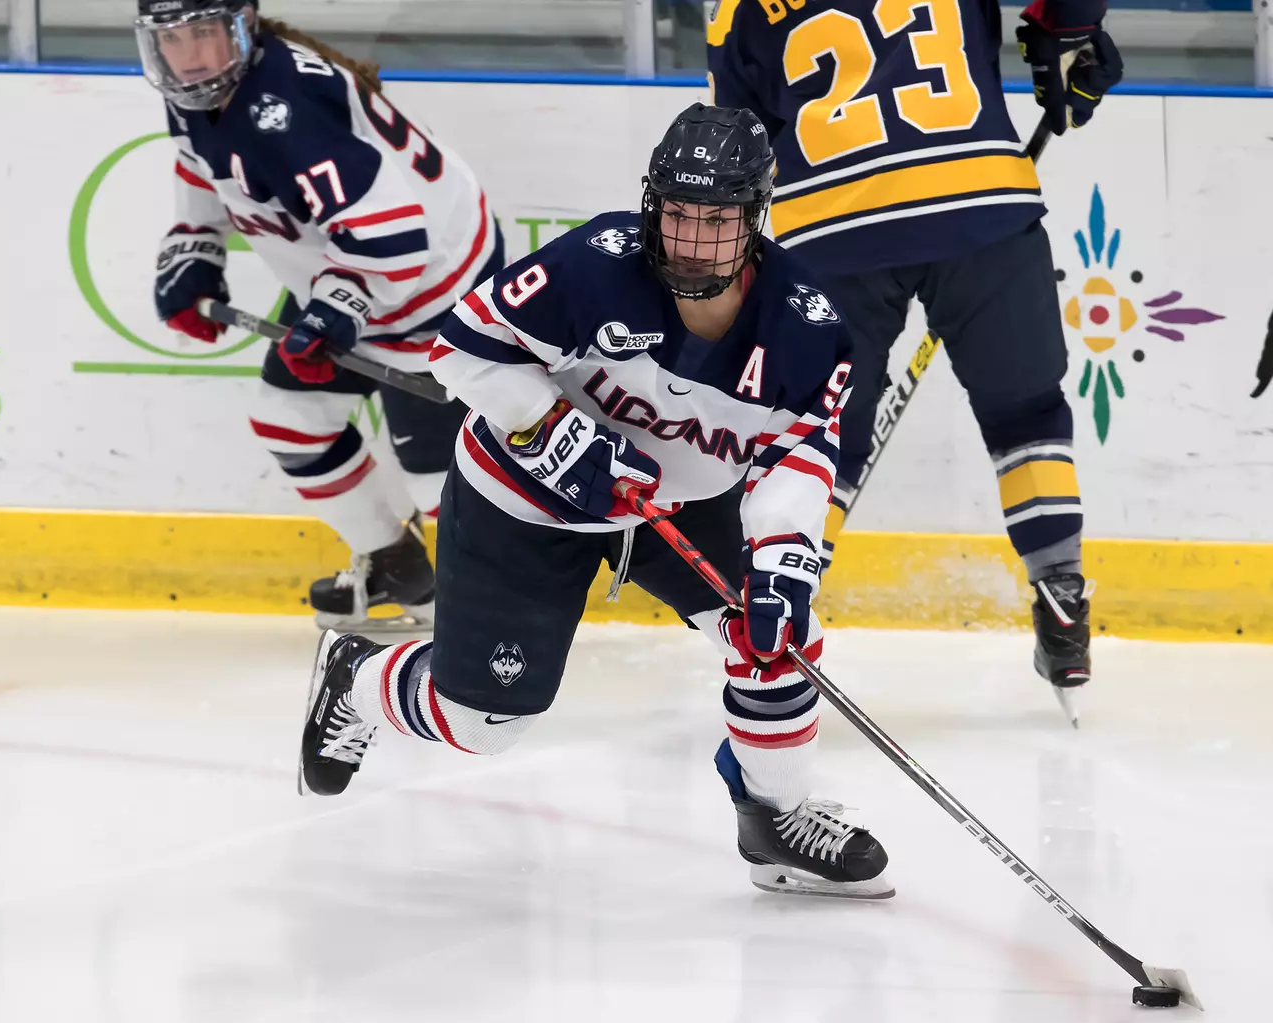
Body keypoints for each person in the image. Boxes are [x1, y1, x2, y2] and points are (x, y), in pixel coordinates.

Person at [297, 104, 892, 900]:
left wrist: (784, 562)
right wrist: (551, 429)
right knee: (484, 725)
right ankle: (361, 679)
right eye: (677, 214)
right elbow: (462, 350)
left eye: (716, 221)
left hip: (675, 505)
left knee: (779, 636)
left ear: (755, 218)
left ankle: (775, 818)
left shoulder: (804, 329)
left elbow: (799, 454)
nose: (690, 240)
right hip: (523, 501)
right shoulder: (597, 263)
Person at [707, 0, 1123, 715]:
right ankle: (1060, 592)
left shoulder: (735, 10)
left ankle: (781, 615)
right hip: (981, 206)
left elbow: (736, 148)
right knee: (1025, 414)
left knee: (821, 433)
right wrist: (1071, 35)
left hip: (830, 231)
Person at [135, 0, 506, 628]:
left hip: (436, 290)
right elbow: (204, 166)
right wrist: (195, 252)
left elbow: (391, 235)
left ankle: (500, 611)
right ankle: (397, 565)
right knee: (289, 418)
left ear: (243, 25)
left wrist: (334, 313)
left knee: (438, 480)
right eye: (173, 39)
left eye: (204, 33)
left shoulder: (285, 111)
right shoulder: (200, 92)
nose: (191, 56)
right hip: (349, 268)